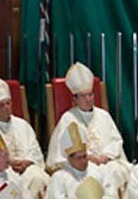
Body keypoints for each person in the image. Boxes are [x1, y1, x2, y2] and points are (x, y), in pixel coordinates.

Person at [46, 62, 132, 192]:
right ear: (75, 99)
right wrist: (88, 158)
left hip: (107, 162)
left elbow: (116, 141)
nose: (88, 99)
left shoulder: (103, 115)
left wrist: (106, 156)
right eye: (83, 96)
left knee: (117, 171)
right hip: (82, 166)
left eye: (90, 94)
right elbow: (61, 153)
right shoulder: (68, 118)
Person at [0, 76, 49, 197]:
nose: (6, 107)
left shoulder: (22, 125)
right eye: (1, 105)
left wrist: (27, 161)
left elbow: (35, 150)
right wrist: (9, 163)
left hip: (26, 171)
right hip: (2, 173)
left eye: (8, 103)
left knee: (37, 176)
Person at [46, 122, 116, 199]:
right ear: (69, 159)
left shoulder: (99, 171)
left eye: (84, 156)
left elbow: (111, 195)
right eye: (79, 158)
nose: (83, 161)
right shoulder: (59, 178)